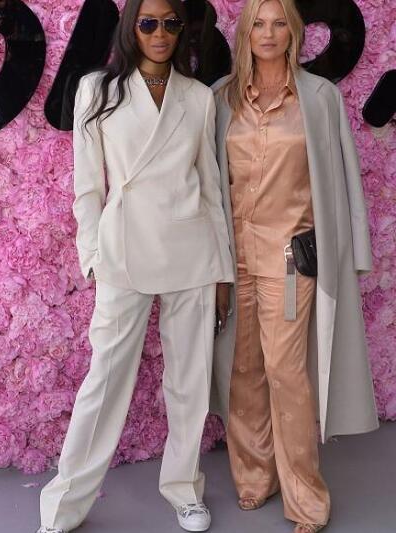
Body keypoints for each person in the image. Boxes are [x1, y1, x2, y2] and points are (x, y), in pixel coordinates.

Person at [36, 0, 234, 531]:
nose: (160, 33)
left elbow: (210, 188)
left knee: (189, 381)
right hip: (123, 249)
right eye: (148, 23)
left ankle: (185, 489)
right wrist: (92, 256)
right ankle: (63, 504)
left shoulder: (197, 97)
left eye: (171, 23)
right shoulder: (97, 89)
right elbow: (87, 184)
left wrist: (222, 270)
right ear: (131, 28)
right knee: (104, 380)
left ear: (183, 30)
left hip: (192, 250)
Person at [210, 0, 379, 532]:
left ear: (294, 32)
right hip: (233, 257)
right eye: (258, 23)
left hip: (289, 259)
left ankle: (306, 496)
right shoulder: (221, 98)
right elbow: (207, 180)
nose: (268, 33)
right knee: (241, 370)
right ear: (244, 32)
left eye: (279, 22)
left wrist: (356, 251)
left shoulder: (319, 97)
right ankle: (254, 476)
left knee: (286, 372)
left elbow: (344, 173)